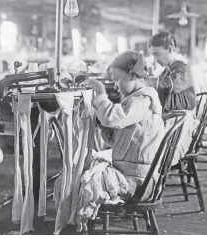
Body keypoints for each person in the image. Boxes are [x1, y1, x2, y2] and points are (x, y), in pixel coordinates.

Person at [83, 51, 165, 202]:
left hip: (137, 184)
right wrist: (102, 124)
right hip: (131, 176)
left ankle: (79, 223)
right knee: (87, 169)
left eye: (117, 79)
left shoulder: (143, 100)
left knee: (84, 178)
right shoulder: (136, 99)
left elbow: (111, 118)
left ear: (132, 76)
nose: (115, 86)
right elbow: (115, 140)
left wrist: (101, 93)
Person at [148, 31, 196, 165]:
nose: (155, 59)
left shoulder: (184, 69)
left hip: (180, 121)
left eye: (157, 54)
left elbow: (170, 85)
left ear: (169, 49)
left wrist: (144, 81)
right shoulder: (165, 70)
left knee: (153, 152)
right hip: (170, 118)